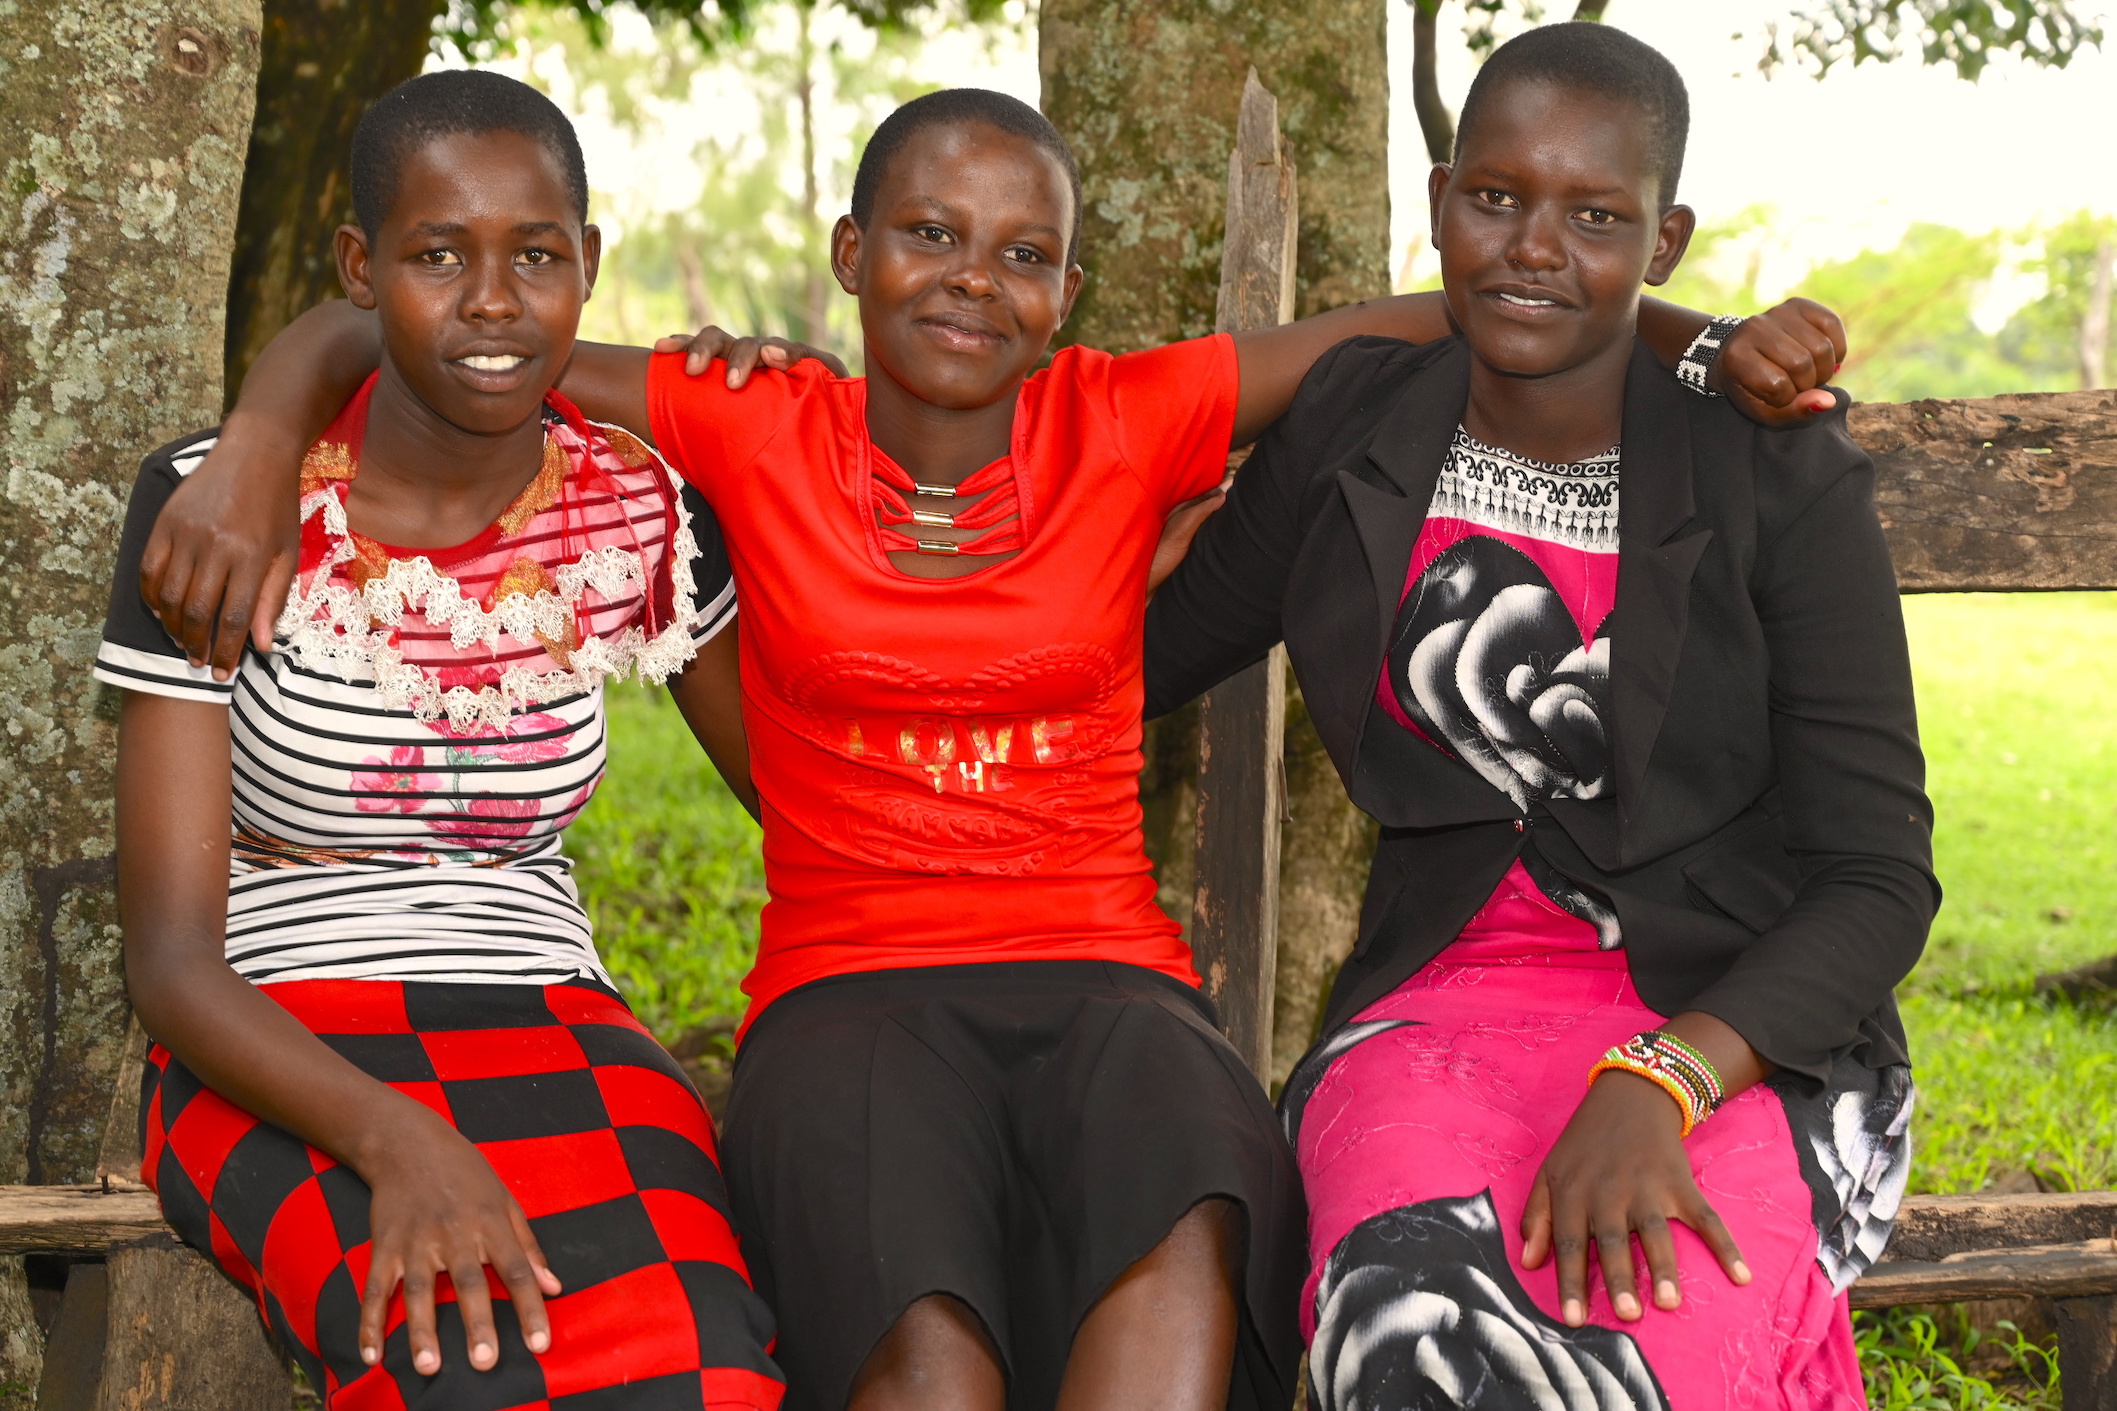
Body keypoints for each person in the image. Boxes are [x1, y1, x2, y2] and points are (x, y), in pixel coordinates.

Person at [132, 85, 1848, 1411]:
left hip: (1104, 967)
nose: (971, 280)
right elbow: (448, 330)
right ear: (848, 254)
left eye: (1021, 252)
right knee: (923, 1346)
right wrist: (262, 430)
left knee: (1183, 1251)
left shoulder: (1126, 412)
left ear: (1067, 290)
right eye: (929, 236)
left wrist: (1712, 344)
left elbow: (1466, 305)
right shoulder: (743, 421)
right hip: (848, 983)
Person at [1143, 25, 1937, 1409]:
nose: (1530, 246)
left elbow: (1877, 877)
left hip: (1739, 1019)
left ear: (1665, 237)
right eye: (1495, 197)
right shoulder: (1352, 433)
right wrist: (1105, 542)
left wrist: (1666, 1076)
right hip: (1435, 1007)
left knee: (1654, 1336)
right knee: (1408, 1321)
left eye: (1594, 216)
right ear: (1443, 199)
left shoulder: (1772, 468)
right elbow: (1137, 657)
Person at [100, 70, 807, 1410]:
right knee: (458, 1369)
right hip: (280, 1045)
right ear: (362, 269)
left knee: (707, 1368)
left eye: (535, 255)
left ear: (587, 267)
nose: (493, 300)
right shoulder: (224, 509)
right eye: (437, 255)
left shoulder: (636, 511)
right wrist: (398, 1142)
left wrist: (782, 441)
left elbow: (808, 800)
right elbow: (175, 960)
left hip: (556, 1019)